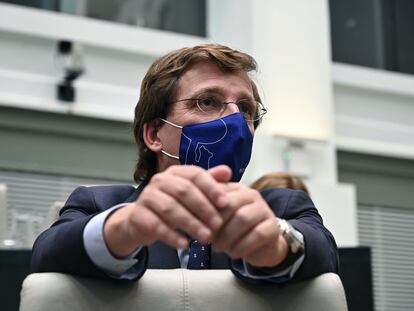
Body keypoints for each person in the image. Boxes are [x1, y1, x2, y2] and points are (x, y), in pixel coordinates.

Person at [31, 44, 338, 284]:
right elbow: (46, 256)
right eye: (207, 101)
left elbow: (324, 253)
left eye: (245, 108)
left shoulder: (280, 208)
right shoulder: (99, 204)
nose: (235, 120)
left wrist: (276, 243)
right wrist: (123, 230)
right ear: (154, 134)